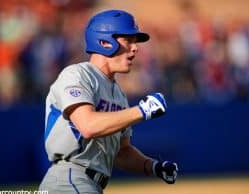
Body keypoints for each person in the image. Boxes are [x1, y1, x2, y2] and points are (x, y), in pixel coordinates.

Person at [39, 9, 178, 194]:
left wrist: (153, 167)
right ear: (104, 42)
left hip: (90, 184)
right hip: (69, 178)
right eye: (128, 40)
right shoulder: (77, 74)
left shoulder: (118, 93)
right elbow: (87, 125)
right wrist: (142, 110)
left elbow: (121, 152)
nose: (135, 48)